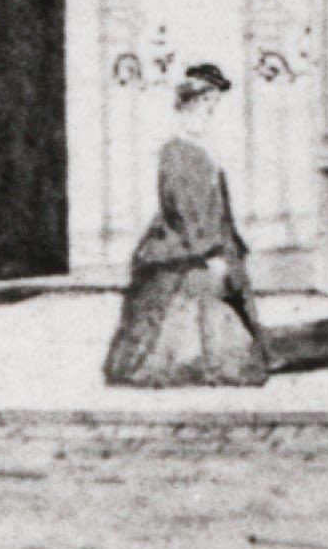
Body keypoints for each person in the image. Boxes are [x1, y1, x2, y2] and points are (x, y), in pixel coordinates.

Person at [101, 63, 269, 388]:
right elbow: (187, 211)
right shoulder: (179, 152)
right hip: (189, 248)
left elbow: (213, 205)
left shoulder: (198, 149)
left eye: (213, 106)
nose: (210, 113)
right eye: (207, 105)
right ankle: (200, 365)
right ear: (189, 106)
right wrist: (211, 253)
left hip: (213, 240)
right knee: (192, 311)